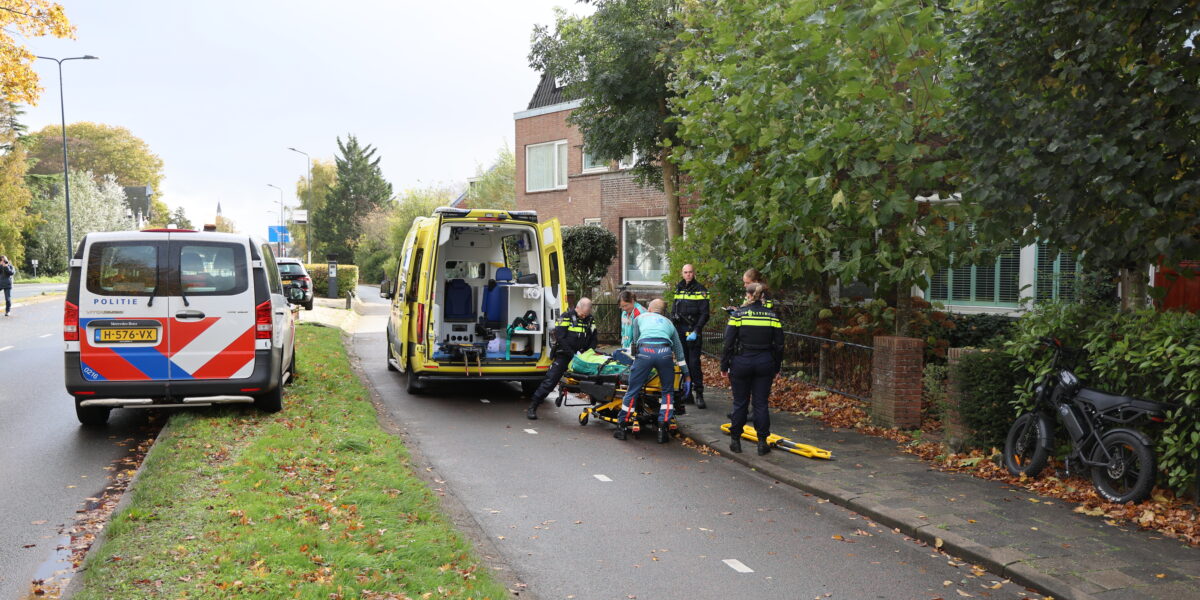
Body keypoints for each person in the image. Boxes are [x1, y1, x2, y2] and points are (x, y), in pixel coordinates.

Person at [721, 283, 784, 455]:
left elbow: (728, 342)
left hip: (741, 362)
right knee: (761, 403)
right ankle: (762, 443)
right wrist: (776, 366)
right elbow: (779, 345)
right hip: (764, 363)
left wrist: (724, 365)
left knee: (740, 402)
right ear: (762, 296)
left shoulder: (738, 315)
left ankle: (735, 441)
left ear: (748, 295)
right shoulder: (772, 316)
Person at [615, 299, 690, 444]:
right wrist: (686, 375)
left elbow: (635, 342)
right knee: (668, 392)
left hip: (645, 351)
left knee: (633, 390)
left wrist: (637, 362)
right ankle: (663, 428)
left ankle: (622, 426)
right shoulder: (669, 323)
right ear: (662, 312)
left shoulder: (640, 318)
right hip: (665, 353)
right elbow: (679, 353)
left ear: (649, 308)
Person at [526, 297, 597, 420]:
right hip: (565, 354)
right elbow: (560, 337)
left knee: (595, 377)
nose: (584, 316)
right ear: (578, 307)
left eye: (586, 314)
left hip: (582, 356)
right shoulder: (566, 317)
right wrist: (572, 355)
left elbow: (594, 338)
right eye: (582, 313)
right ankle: (533, 406)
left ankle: (599, 406)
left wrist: (588, 353)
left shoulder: (590, 319)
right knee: (551, 380)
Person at [672, 264, 710, 408]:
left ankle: (699, 393)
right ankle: (686, 393)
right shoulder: (679, 288)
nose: (688, 275)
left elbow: (705, 313)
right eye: (685, 272)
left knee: (694, 364)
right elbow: (674, 307)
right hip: (681, 331)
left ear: (694, 273)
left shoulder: (701, 290)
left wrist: (696, 331)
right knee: (683, 363)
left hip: (693, 330)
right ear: (682, 274)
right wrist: (673, 318)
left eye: (690, 272)